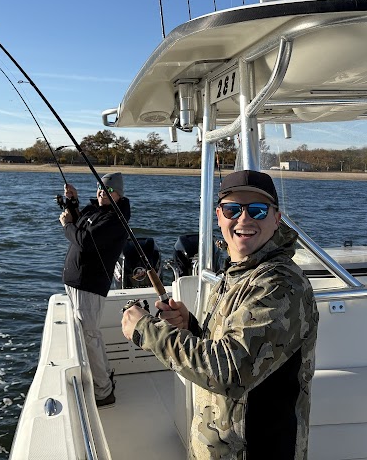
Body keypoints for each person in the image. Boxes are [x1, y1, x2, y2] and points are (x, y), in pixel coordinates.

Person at [121, 170, 318, 459]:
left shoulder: (279, 284)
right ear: (219, 215)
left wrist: (145, 329)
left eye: (258, 210)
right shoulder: (237, 273)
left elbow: (229, 371)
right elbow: (230, 344)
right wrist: (190, 326)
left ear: (276, 219)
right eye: (232, 209)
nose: (244, 219)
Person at [61, 171, 130, 408]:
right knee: (88, 335)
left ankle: (103, 391)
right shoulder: (95, 211)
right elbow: (80, 222)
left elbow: (85, 240)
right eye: (100, 188)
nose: (103, 192)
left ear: (119, 194)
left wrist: (67, 225)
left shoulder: (115, 220)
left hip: (89, 285)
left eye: (109, 190)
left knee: (90, 336)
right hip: (76, 282)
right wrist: (72, 202)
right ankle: (105, 376)